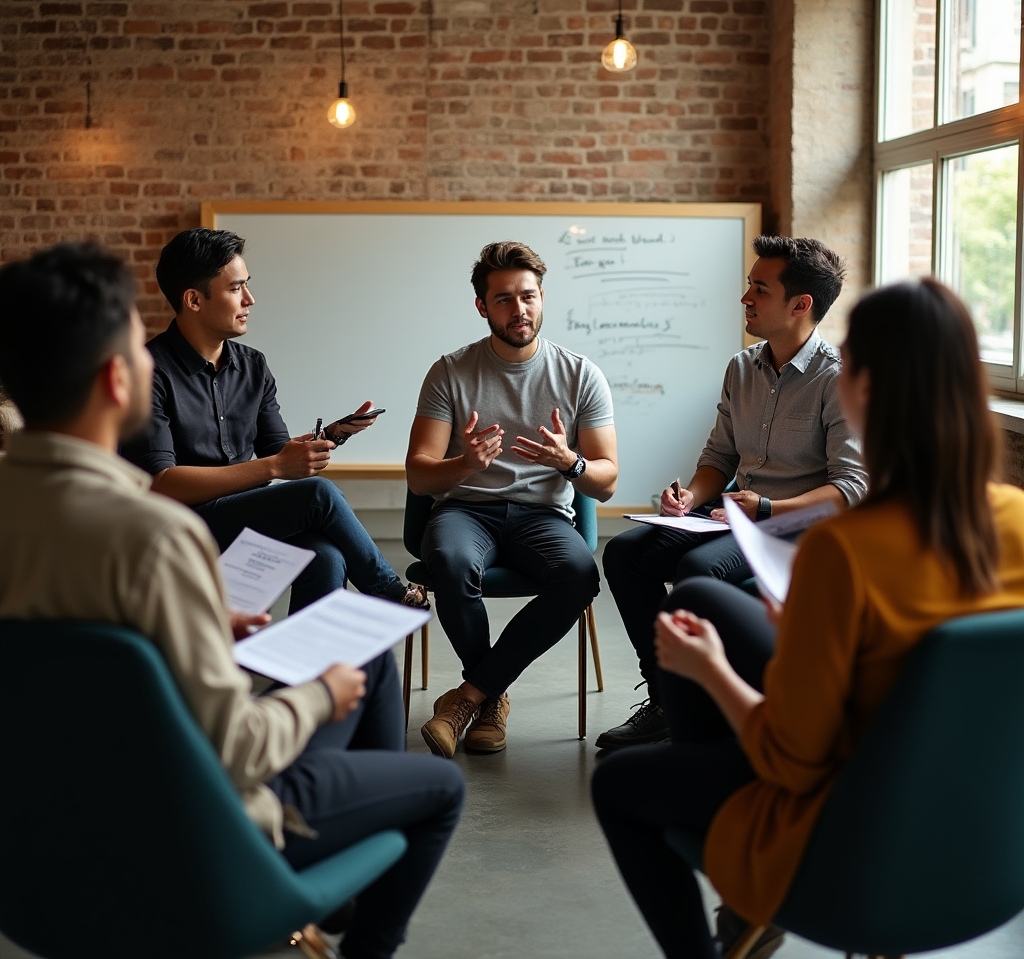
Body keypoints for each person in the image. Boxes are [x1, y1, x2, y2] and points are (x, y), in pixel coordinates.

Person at [0, 243, 464, 959]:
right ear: (116, 379)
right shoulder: (154, 539)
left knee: (352, 618)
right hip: (191, 833)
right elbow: (236, 751)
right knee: (432, 779)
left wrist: (194, 623)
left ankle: (333, 884)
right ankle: (329, 891)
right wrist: (318, 694)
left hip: (34, 858)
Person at [591, 279, 1024, 959]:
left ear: (869, 391)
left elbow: (790, 763)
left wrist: (709, 669)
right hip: (992, 847)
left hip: (852, 839)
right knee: (701, 598)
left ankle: (735, 918)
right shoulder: (1016, 519)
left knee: (620, 782)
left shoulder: (844, 554)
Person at [596, 235, 868, 750]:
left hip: (792, 529)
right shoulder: (741, 368)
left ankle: (701, 709)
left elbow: (852, 486)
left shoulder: (838, 380)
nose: (745, 299)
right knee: (626, 554)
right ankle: (666, 699)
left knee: (700, 574)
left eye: (759, 290)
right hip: (733, 517)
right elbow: (719, 459)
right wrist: (690, 498)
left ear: (800, 305)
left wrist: (769, 507)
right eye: (749, 286)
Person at [121, 227, 426, 614]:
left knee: (326, 556)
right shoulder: (149, 372)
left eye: (247, 285)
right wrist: (278, 463)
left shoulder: (253, 365)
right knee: (321, 494)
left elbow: (275, 455)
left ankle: (301, 671)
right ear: (194, 300)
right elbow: (162, 484)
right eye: (236, 289)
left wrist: (328, 437)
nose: (250, 299)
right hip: (180, 526)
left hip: (243, 513)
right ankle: (388, 592)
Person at [406, 240, 618, 758]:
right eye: (503, 299)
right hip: (465, 510)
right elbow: (419, 474)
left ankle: (469, 696)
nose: (518, 310)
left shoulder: (580, 374)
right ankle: (492, 698)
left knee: (579, 574)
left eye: (528, 296)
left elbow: (606, 480)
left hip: (541, 515)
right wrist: (466, 465)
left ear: (542, 297)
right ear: (482, 306)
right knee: (451, 563)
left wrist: (569, 463)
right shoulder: (450, 372)